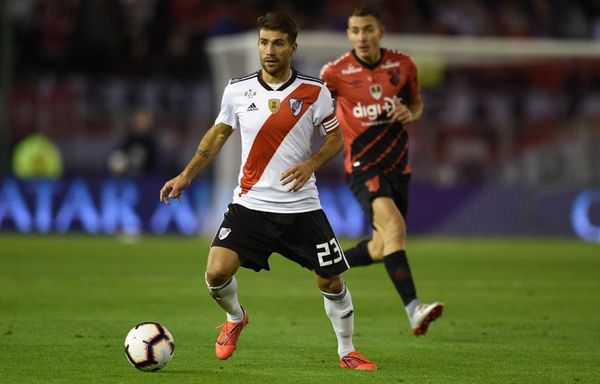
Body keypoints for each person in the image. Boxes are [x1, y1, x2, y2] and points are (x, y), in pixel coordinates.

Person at [159, 12, 377, 370]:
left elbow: (336, 138)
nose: (269, 50)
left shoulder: (315, 91)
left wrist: (310, 165)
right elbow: (217, 136)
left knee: (331, 280)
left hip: (302, 207)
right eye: (264, 42)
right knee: (216, 272)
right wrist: (186, 175)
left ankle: (347, 351)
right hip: (251, 205)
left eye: (277, 43)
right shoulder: (237, 89)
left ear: (293, 46)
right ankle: (235, 318)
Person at [320, 6, 443, 335]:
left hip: (399, 167)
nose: (362, 36)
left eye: (368, 29)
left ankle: (328, 265)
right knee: (394, 228)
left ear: (380, 32)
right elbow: (314, 108)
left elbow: (416, 103)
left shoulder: (403, 66)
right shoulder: (335, 72)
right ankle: (414, 309)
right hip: (362, 165)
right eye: (355, 30)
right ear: (348, 34)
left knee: (381, 245)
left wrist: (410, 113)